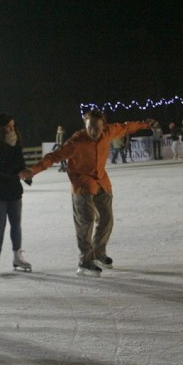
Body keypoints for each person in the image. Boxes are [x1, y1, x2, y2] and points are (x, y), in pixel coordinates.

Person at [19, 109, 153, 276]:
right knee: (86, 222)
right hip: (82, 185)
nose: (93, 131)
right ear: (85, 125)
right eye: (90, 127)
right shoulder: (76, 141)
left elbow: (126, 127)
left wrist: (145, 124)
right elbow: (53, 157)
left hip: (102, 183)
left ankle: (98, 252)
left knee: (107, 219)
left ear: (103, 125)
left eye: (97, 127)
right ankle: (85, 260)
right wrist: (33, 170)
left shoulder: (108, 132)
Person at [0, 113, 32, 276]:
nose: (12, 129)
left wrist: (26, 174)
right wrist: (15, 171)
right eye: (8, 126)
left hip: (13, 189)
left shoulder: (16, 141)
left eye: (13, 125)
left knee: (16, 223)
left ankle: (17, 256)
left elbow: (20, 162)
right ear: (0, 127)